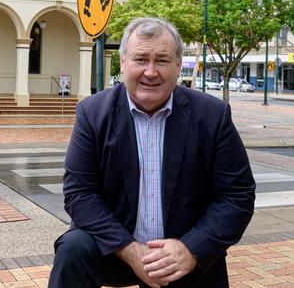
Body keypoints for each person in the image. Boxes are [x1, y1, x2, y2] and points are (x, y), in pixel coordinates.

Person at [48, 18, 255, 288]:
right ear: (123, 63)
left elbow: (237, 195)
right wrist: (131, 250)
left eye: (162, 60)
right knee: (73, 249)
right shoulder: (93, 113)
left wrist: (192, 249)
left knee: (208, 259)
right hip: (115, 248)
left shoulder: (212, 116)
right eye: (141, 59)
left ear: (178, 65)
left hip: (181, 251)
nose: (150, 71)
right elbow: (79, 193)